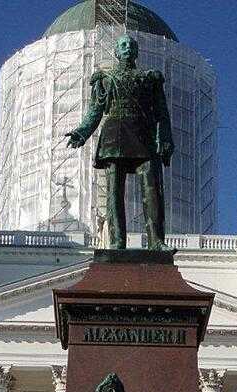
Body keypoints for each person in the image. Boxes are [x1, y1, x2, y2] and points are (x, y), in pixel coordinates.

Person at [66, 34, 174, 251]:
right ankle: (116, 243)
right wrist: (82, 132)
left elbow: (162, 113)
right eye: (122, 45)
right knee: (115, 192)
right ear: (116, 52)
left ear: (136, 52)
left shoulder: (149, 78)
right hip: (114, 135)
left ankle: (156, 241)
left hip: (144, 135)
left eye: (130, 45)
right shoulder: (105, 79)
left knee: (152, 190)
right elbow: (95, 111)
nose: (127, 48)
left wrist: (165, 139)